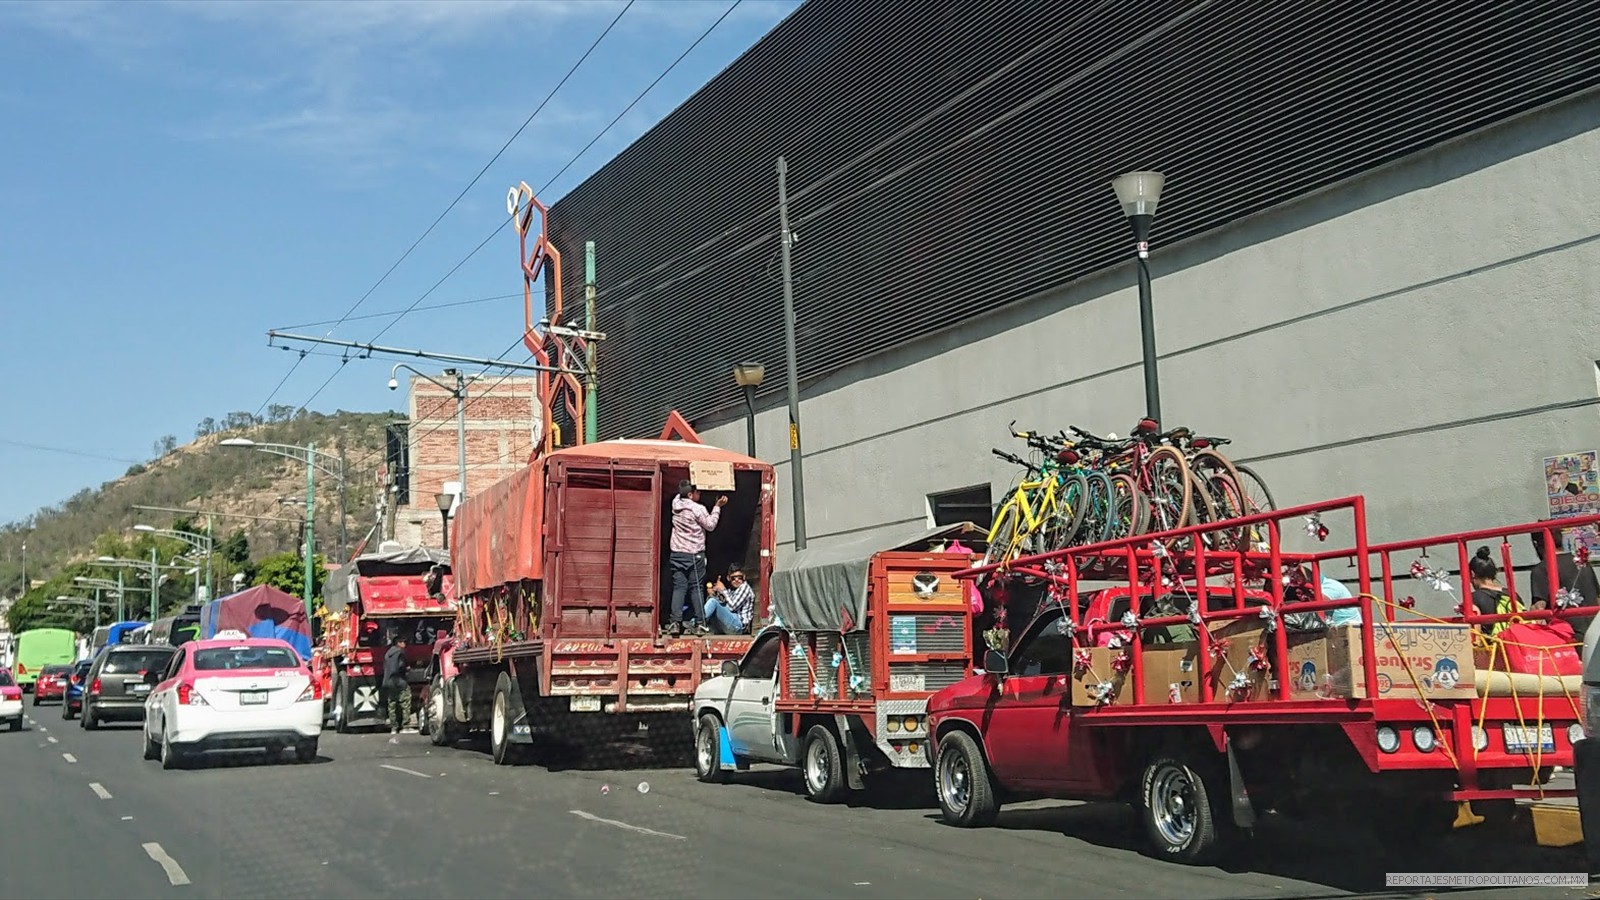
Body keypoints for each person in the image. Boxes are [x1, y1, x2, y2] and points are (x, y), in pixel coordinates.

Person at [667, 480, 727, 636]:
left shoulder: (676, 504)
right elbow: (710, 525)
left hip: (677, 553)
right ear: (690, 494)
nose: (699, 494)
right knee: (696, 588)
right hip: (694, 553)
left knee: (679, 587)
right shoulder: (697, 509)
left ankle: (674, 622)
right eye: (697, 492)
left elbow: (678, 495)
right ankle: (701, 624)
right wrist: (717, 507)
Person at [1529, 529, 1599, 641]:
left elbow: (1538, 610)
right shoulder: (1582, 563)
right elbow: (1597, 597)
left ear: (1536, 543)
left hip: (1568, 638)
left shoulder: (1541, 569)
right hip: (1595, 633)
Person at [1469, 546, 1516, 636]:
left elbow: (1475, 635)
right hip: (1515, 645)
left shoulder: (1473, 598)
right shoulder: (1512, 594)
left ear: (1472, 574)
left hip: (1494, 647)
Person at [705, 567, 755, 635]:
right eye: (733, 578)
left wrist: (723, 590)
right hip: (728, 624)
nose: (737, 580)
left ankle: (697, 623)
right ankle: (702, 625)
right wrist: (712, 594)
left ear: (744, 577)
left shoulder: (744, 588)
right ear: (728, 578)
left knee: (713, 602)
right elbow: (723, 605)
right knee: (713, 601)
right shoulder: (731, 590)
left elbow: (732, 607)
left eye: (739, 577)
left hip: (738, 626)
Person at [383, 635, 410, 742]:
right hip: (399, 680)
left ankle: (394, 727)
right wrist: (406, 669)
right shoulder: (400, 653)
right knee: (405, 701)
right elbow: (401, 666)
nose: (405, 644)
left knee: (392, 704)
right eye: (403, 642)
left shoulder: (387, 654)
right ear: (398, 643)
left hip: (388, 681)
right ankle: (405, 725)